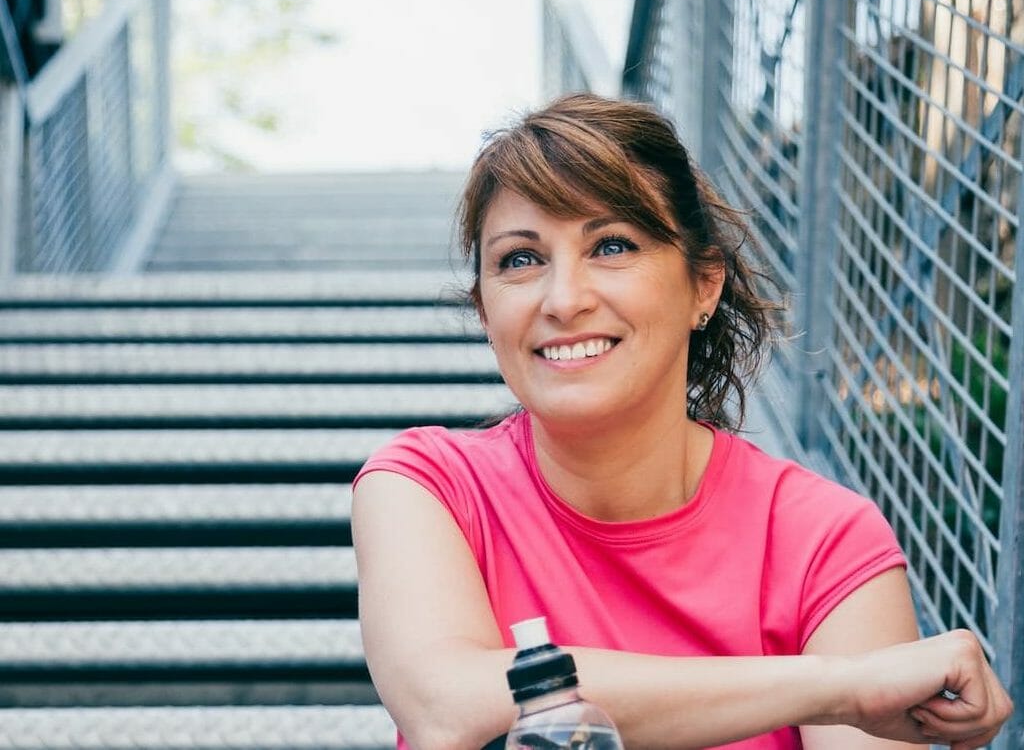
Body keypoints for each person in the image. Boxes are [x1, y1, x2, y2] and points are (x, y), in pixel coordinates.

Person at [352, 94, 1013, 750]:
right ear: (485, 310)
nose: (563, 299)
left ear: (704, 284)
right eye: (520, 259)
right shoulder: (424, 486)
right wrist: (836, 686)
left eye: (612, 245)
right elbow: (450, 706)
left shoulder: (823, 539)